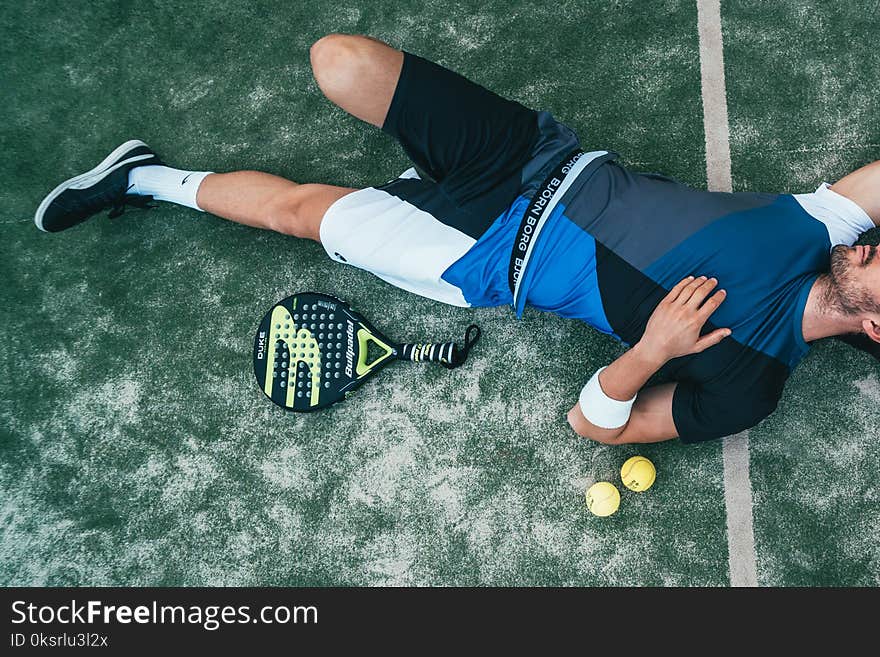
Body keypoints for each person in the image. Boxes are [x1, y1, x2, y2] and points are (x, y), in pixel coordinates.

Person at [34, 34, 880, 445]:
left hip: (473, 258)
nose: (878, 241)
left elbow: (597, 427)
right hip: (530, 157)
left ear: (874, 325)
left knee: (296, 213)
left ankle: (141, 178)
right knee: (340, 62)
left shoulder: (752, 385)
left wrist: (652, 349)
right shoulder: (830, 226)